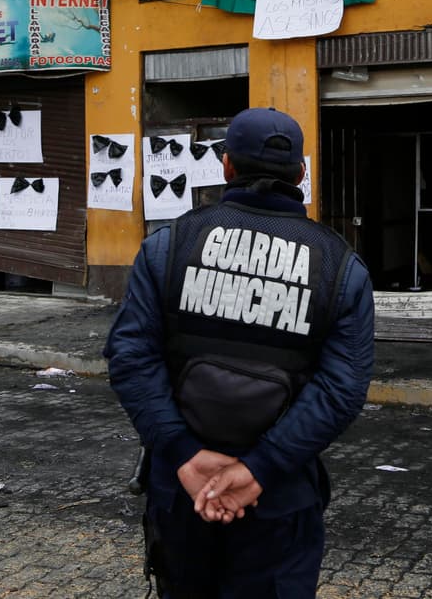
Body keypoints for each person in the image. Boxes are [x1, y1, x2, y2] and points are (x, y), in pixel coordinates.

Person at [104, 106, 376, 598]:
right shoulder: (340, 266)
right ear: (301, 175)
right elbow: (342, 389)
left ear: (226, 165)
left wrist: (185, 456)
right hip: (279, 499)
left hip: (182, 491)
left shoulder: (169, 244)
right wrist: (260, 469)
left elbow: (130, 356)